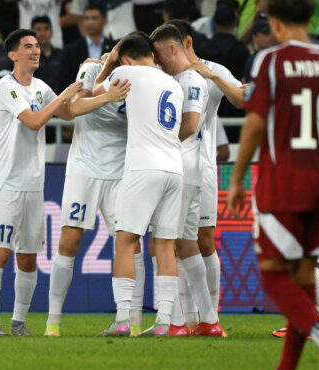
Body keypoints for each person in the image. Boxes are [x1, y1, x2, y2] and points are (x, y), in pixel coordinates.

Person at [228, 0, 319, 370]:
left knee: (273, 278)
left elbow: (254, 124)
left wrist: (237, 178)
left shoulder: (272, 61)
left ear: (277, 24)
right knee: (303, 278)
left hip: (283, 182)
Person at [0, 29, 82, 336]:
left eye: (36, 46)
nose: (35, 50)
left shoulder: (40, 87)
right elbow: (35, 121)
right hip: (6, 183)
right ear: (13, 55)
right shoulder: (5, 86)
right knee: (0, 252)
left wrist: (102, 91)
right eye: (28, 46)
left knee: (28, 257)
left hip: (34, 185)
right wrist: (64, 95)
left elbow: (68, 112)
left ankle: (18, 322)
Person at [90, 32, 183, 337]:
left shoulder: (127, 73)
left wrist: (109, 63)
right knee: (165, 244)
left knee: (125, 240)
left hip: (143, 166)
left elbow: (94, 91)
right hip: (175, 168)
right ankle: (165, 322)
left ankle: (122, 319)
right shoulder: (173, 83)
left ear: (126, 59)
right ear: (153, 56)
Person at [46, 57, 132, 336]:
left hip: (120, 171)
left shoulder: (140, 77)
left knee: (130, 244)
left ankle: (131, 321)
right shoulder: (91, 68)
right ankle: (53, 321)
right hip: (84, 169)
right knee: (69, 241)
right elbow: (73, 108)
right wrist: (108, 96)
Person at [169, 19, 245, 327]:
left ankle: (211, 316)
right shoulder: (161, 71)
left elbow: (242, 99)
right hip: (168, 165)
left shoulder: (213, 69)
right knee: (172, 242)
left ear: (186, 42)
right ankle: (187, 320)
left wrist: (212, 76)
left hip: (203, 166)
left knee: (204, 240)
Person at [150, 23, 222, 337]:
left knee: (163, 243)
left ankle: (175, 322)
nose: (156, 61)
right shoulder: (175, 79)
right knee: (184, 244)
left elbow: (191, 124)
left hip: (183, 167)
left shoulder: (191, 79)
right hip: (185, 170)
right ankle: (208, 320)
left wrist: (160, 145)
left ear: (173, 48)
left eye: (158, 54)